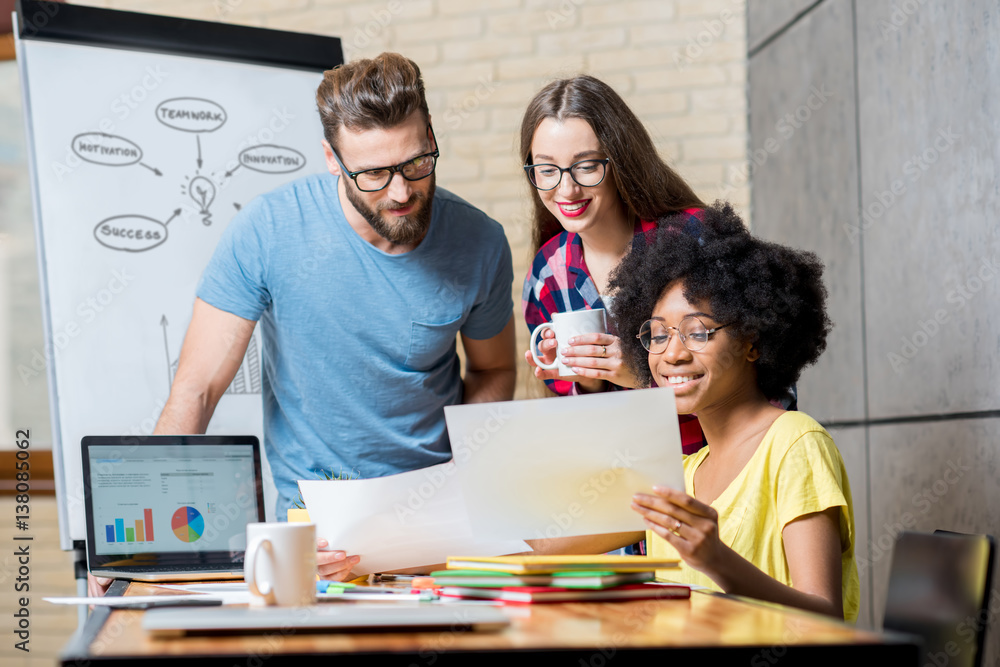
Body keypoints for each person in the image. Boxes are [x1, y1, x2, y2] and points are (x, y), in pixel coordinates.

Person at [154, 53, 516, 580]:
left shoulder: (480, 241)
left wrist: (459, 482)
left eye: (416, 163)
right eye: (372, 173)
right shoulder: (268, 230)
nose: (400, 192)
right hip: (313, 533)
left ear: (431, 134)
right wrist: (152, 545)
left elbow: (493, 370)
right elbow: (197, 389)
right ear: (332, 158)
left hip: (435, 531)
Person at [609, 201, 858, 620]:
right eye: (656, 334)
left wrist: (715, 558)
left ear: (753, 341)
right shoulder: (684, 475)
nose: (672, 353)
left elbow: (824, 616)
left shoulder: (794, 443)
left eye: (697, 332)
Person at [518, 74, 710, 457]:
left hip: (713, 472)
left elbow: (753, 376)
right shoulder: (547, 274)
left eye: (586, 166)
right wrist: (585, 380)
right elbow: (576, 418)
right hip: (617, 483)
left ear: (619, 160)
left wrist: (642, 372)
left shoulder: (693, 238)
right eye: (546, 169)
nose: (566, 190)